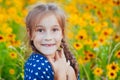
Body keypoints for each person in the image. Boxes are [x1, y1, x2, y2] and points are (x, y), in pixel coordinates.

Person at [24, 3, 80, 80]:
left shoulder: (65, 59)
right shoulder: (37, 66)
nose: (48, 37)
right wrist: (60, 76)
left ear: (62, 33)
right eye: (40, 30)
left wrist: (70, 72)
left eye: (54, 30)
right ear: (30, 34)